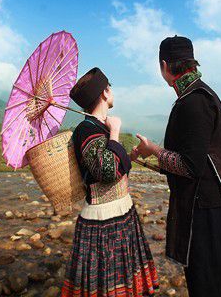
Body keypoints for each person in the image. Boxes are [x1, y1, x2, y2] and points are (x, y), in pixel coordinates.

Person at [131, 36, 221, 297]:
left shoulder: (192, 102)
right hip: (217, 203)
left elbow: (189, 166)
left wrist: (153, 150)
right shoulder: (206, 94)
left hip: (206, 213)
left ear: (164, 66)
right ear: (191, 62)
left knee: (210, 284)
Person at [61, 67, 159, 296]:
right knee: (106, 285)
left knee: (122, 280)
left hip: (121, 212)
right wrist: (114, 132)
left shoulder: (98, 126)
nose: (112, 91)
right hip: (103, 221)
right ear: (105, 93)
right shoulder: (86, 129)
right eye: (110, 87)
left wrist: (130, 157)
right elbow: (108, 171)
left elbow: (113, 165)